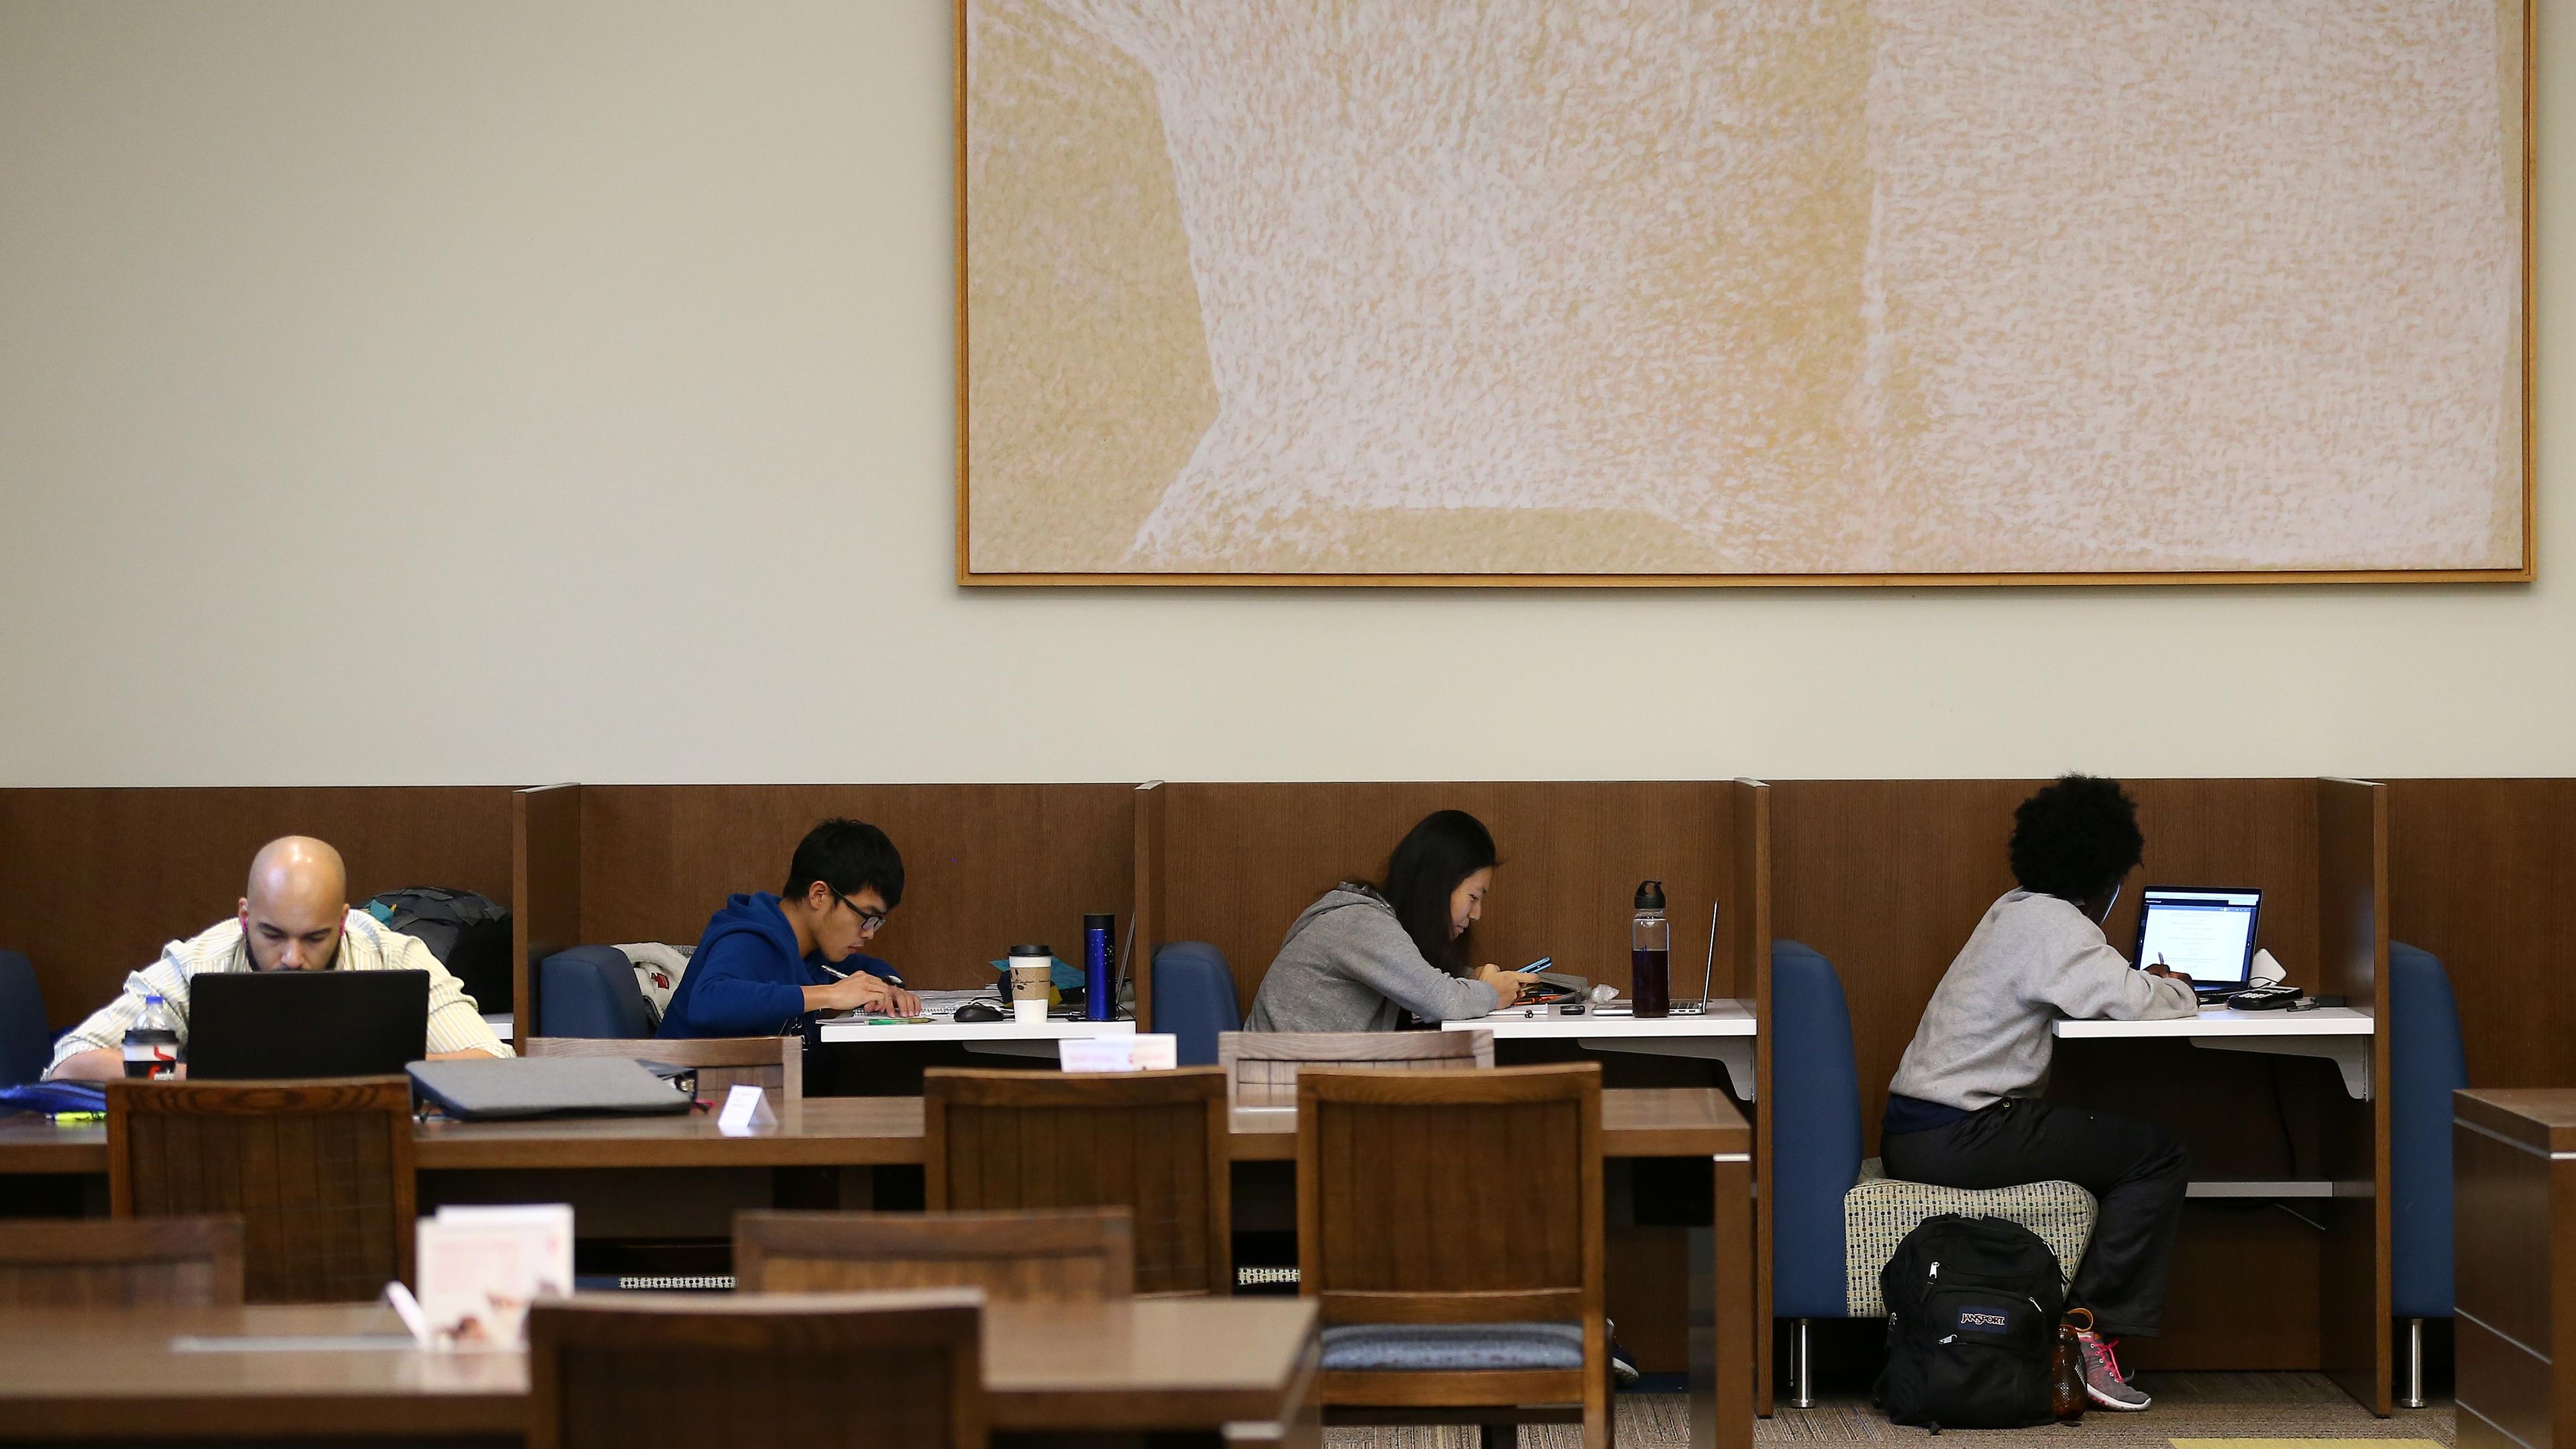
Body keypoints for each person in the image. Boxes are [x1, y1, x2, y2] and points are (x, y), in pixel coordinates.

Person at [1879, 774, 2198, 1412]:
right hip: (1963, 1131)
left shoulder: (2015, 909)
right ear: (2108, 875)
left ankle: (2085, 1329)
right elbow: (2135, 1002)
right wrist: (2179, 986)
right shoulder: (2056, 923)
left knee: (2128, 1145)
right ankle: (2087, 1333)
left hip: (1920, 1128)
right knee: (2159, 1154)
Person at [47, 836, 510, 1079]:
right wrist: (202, 1078)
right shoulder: (199, 962)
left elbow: (493, 1062)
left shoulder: (394, 955)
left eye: (315, 937)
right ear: (245, 916)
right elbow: (72, 1060)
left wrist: (381, 1066)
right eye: (272, 934)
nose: (292, 958)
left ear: (343, 920)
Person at [1244, 809, 1527, 1032]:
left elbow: (1420, 979)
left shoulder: (1371, 922)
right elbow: (1441, 1000)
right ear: (1436, 886)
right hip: (1280, 1082)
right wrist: (1491, 993)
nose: (1476, 914)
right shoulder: (1362, 923)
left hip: (1296, 1074)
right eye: (1473, 897)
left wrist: (1470, 978)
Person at [657, 818, 922, 1038]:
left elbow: (865, 968)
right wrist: (829, 995)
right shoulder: (749, 937)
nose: (869, 932)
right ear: (819, 895)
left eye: (877, 922)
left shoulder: (813, 949)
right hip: (689, 1083)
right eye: (866, 916)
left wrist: (886, 986)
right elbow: (708, 1002)